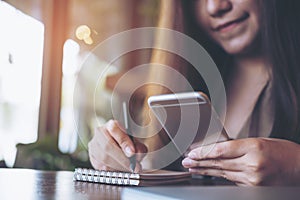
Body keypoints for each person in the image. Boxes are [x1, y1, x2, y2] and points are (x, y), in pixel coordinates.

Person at [88, 0, 300, 186]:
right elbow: (150, 171)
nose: (214, 7)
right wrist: (114, 155)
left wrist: (295, 166)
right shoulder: (187, 81)